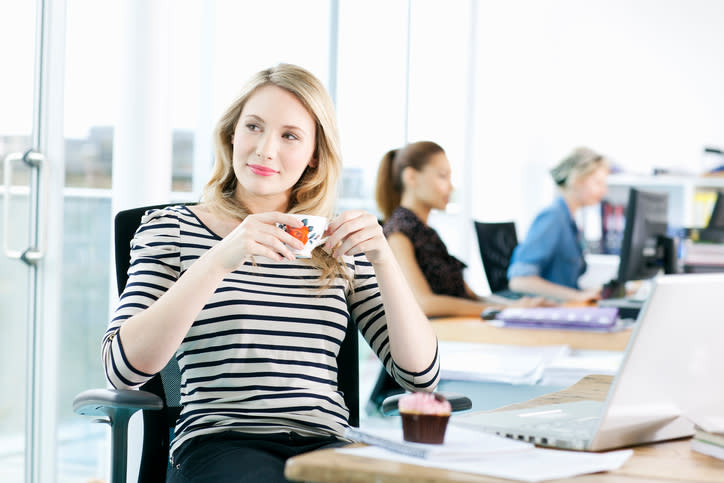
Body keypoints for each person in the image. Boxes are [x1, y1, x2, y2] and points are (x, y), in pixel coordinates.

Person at [102, 64, 440, 483]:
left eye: (290, 135)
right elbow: (123, 368)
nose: (264, 149)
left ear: (314, 154)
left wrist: (384, 260)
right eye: (254, 127)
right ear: (231, 134)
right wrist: (221, 258)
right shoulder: (170, 227)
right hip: (221, 443)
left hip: (329, 443)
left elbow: (420, 376)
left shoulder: (333, 242)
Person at [375, 141, 549, 317]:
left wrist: (519, 305)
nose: (450, 187)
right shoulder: (398, 233)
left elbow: (471, 296)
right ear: (411, 177)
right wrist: (505, 310)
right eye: (442, 176)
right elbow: (424, 303)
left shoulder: (427, 233)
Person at [507, 146, 610, 302]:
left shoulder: (570, 220)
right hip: (547, 313)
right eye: (598, 183)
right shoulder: (553, 217)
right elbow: (520, 281)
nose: (604, 191)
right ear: (576, 180)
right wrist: (577, 296)